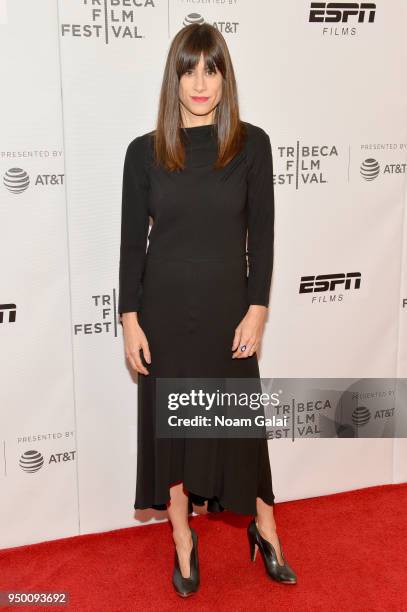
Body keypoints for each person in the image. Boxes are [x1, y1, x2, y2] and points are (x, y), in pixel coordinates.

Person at [118, 22, 297, 597]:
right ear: (174, 79)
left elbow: (262, 239)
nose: (201, 83)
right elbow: (130, 246)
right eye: (189, 70)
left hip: (227, 316)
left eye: (211, 69)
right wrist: (129, 319)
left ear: (225, 75)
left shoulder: (252, 144)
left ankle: (265, 529)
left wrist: (257, 310)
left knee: (240, 429)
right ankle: (182, 540)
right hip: (164, 315)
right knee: (171, 433)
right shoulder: (143, 153)